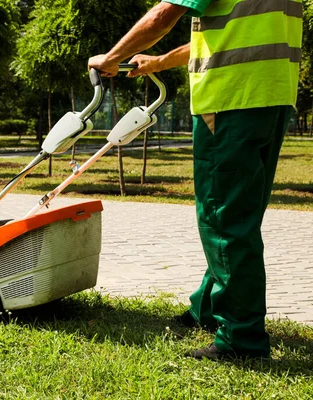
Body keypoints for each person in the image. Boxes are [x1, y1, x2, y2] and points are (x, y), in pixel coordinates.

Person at [89, 0, 303, 360]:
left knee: (223, 219)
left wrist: (110, 57)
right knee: (239, 214)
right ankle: (207, 308)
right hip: (274, 98)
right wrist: (156, 63)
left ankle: (241, 339)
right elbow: (223, 39)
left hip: (230, 98)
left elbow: (163, 16)